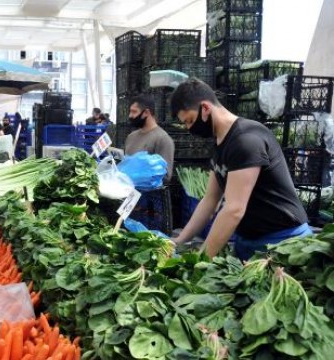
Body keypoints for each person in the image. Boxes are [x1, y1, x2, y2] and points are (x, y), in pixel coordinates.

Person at [170, 78, 312, 260]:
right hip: (248, 241)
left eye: (189, 121)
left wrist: (201, 260)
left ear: (205, 108)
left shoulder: (245, 141)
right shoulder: (221, 143)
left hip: (283, 243)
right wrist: (181, 239)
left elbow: (234, 209)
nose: (189, 128)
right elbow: (210, 199)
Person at [124, 94, 175, 180]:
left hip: (150, 193)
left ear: (146, 112)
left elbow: (165, 176)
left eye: (134, 112)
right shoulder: (131, 137)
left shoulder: (163, 139)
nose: (130, 116)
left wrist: (139, 177)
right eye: (130, 111)